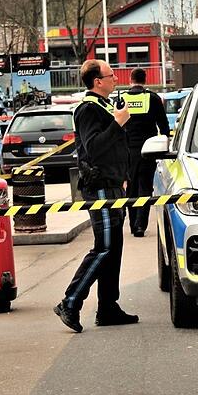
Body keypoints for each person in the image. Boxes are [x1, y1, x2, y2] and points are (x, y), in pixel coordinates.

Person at [54, 60, 136, 333]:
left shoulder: (104, 105)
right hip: (99, 186)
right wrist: (117, 123)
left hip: (113, 184)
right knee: (104, 247)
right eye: (110, 75)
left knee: (114, 250)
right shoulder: (88, 109)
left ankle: (108, 307)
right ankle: (70, 301)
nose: (115, 79)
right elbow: (94, 148)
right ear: (97, 81)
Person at [121, 68, 169, 237]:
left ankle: (133, 224)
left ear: (130, 79)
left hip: (128, 151)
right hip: (149, 149)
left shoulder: (122, 99)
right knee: (145, 187)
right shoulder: (153, 99)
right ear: (145, 80)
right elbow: (163, 126)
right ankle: (141, 225)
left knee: (131, 188)